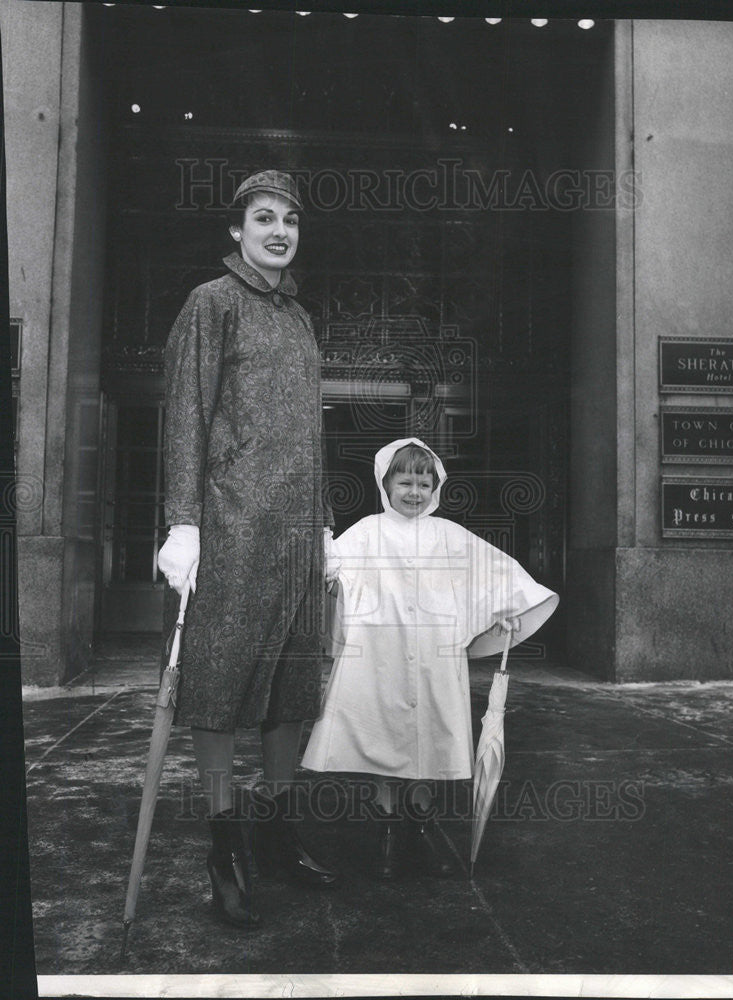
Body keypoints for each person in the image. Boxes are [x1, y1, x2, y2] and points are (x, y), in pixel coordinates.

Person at [157, 169, 336, 929]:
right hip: (230, 529)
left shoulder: (298, 317)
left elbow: (311, 435)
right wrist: (183, 521)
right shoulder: (212, 303)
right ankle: (224, 845)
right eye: (263, 218)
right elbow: (186, 415)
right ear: (235, 230)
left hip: (296, 533)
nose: (279, 231)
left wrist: (322, 522)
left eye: (290, 220)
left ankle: (275, 830)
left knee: (290, 686)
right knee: (222, 681)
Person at [302, 438, 559, 880]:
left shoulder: (449, 536)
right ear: (386, 484)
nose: (415, 492)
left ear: (436, 487)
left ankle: (419, 826)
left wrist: (509, 608)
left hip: (433, 661)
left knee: (427, 742)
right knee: (382, 742)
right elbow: (330, 568)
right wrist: (326, 560)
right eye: (405, 482)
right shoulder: (366, 532)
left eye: (424, 482)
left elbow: (492, 574)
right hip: (379, 658)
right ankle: (386, 828)